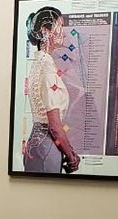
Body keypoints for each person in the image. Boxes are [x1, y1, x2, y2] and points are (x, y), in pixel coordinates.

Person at [23, 6, 81, 174]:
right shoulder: (47, 66)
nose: (63, 33)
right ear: (45, 30)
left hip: (38, 144)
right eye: (59, 27)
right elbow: (54, 125)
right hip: (46, 147)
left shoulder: (40, 62)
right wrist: (71, 156)